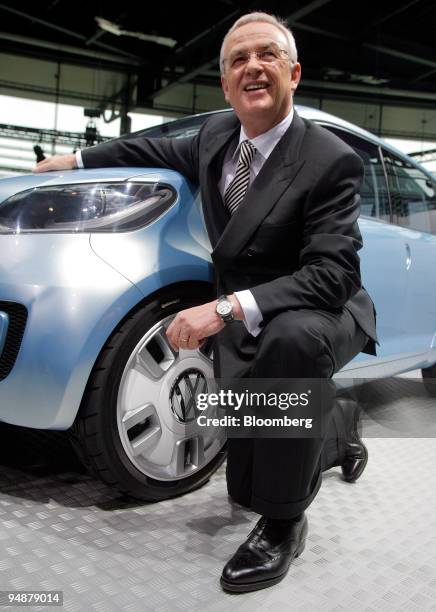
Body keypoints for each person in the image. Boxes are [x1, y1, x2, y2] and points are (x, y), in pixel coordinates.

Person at [34, 12, 377, 593]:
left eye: (266, 55)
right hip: (254, 307)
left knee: (284, 364)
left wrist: (223, 309)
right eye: (238, 60)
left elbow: (333, 273)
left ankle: (284, 524)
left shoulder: (330, 159)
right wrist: (78, 161)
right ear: (225, 85)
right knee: (251, 451)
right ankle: (338, 428)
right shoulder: (217, 136)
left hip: (322, 304)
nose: (252, 68)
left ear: (294, 72)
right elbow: (150, 144)